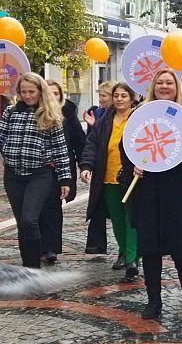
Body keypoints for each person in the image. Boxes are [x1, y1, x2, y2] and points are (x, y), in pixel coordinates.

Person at [119, 68, 182, 319]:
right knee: (150, 246)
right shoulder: (138, 115)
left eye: (169, 82)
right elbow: (126, 148)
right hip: (148, 189)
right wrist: (132, 165)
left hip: (178, 189)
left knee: (179, 241)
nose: (164, 86)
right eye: (160, 83)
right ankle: (153, 299)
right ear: (153, 86)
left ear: (176, 87)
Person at [0, 72, 71, 268]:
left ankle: (34, 268)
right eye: (23, 92)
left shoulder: (50, 114)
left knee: (30, 219)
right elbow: (1, 136)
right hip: (13, 175)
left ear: (41, 92)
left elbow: (60, 149)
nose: (28, 95)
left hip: (39, 174)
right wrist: (7, 151)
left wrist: (65, 180)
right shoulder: (11, 112)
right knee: (22, 223)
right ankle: (28, 266)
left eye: (31, 91)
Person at [80, 83, 139, 278]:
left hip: (133, 177)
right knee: (117, 220)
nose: (119, 99)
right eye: (116, 95)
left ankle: (132, 259)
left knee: (132, 218)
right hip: (107, 177)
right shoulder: (105, 119)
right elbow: (92, 144)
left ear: (131, 98)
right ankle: (124, 252)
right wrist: (87, 166)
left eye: (124, 95)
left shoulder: (138, 118)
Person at [36, 80, 85, 264]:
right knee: (35, 209)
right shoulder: (33, 113)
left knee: (53, 208)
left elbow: (79, 142)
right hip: (36, 169)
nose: (52, 97)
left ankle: (51, 248)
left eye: (56, 93)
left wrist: (85, 166)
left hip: (59, 169)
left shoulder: (68, 115)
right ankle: (38, 244)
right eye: (49, 93)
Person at [84, 80, 116, 255]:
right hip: (101, 170)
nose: (101, 99)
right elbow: (92, 142)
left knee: (120, 212)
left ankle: (127, 253)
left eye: (104, 95)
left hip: (118, 171)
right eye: (100, 95)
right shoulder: (96, 112)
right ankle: (96, 243)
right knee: (97, 205)